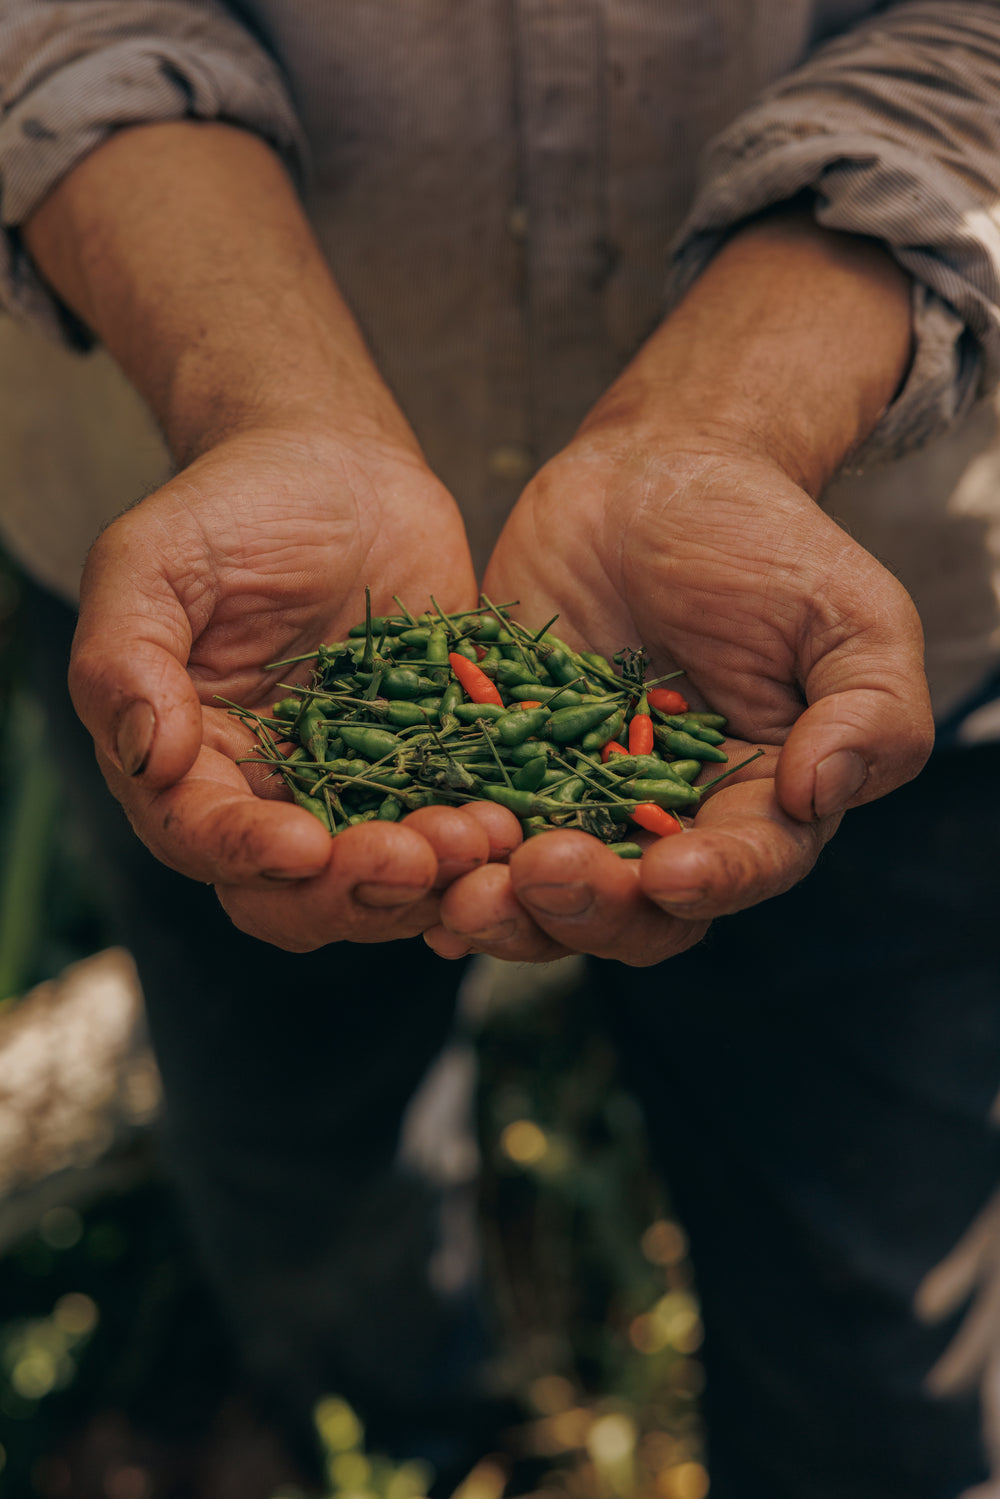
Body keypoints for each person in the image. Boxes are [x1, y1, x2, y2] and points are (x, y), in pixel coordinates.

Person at [2, 3, 1000, 1494]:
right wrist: (261, 401)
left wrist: (729, 422)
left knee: (881, 1290)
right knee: (294, 1142)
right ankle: (415, 1437)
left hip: (835, 593)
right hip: (214, 592)